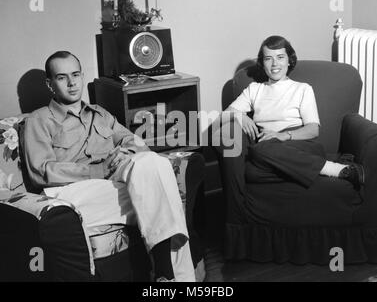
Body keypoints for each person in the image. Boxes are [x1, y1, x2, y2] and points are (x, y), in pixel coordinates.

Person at [23, 51, 195, 282]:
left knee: (154, 164)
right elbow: (42, 171)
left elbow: (135, 142)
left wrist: (122, 155)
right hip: (69, 194)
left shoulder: (100, 114)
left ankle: (168, 278)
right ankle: (169, 270)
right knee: (161, 193)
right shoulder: (39, 120)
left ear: (82, 75)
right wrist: (98, 170)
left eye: (75, 75)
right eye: (62, 77)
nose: (72, 83)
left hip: (111, 184)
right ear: (50, 84)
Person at [220, 35, 365, 190]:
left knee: (257, 157)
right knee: (251, 169)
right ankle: (314, 170)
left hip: (298, 145)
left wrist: (283, 136)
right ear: (263, 63)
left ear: (289, 60)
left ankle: (337, 169)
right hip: (267, 149)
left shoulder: (302, 89)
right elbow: (225, 115)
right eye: (268, 58)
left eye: (280, 57)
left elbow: (313, 130)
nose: (275, 63)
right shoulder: (255, 89)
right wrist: (240, 116)